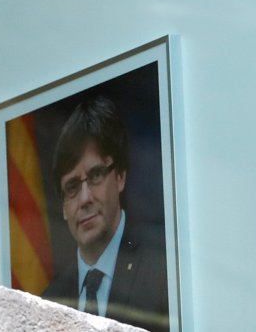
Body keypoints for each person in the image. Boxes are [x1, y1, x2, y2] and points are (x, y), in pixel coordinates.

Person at [41, 96, 169, 332]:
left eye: (96, 175)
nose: (85, 198)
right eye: (71, 187)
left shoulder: (165, 271)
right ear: (62, 208)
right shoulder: (49, 302)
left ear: (120, 176)